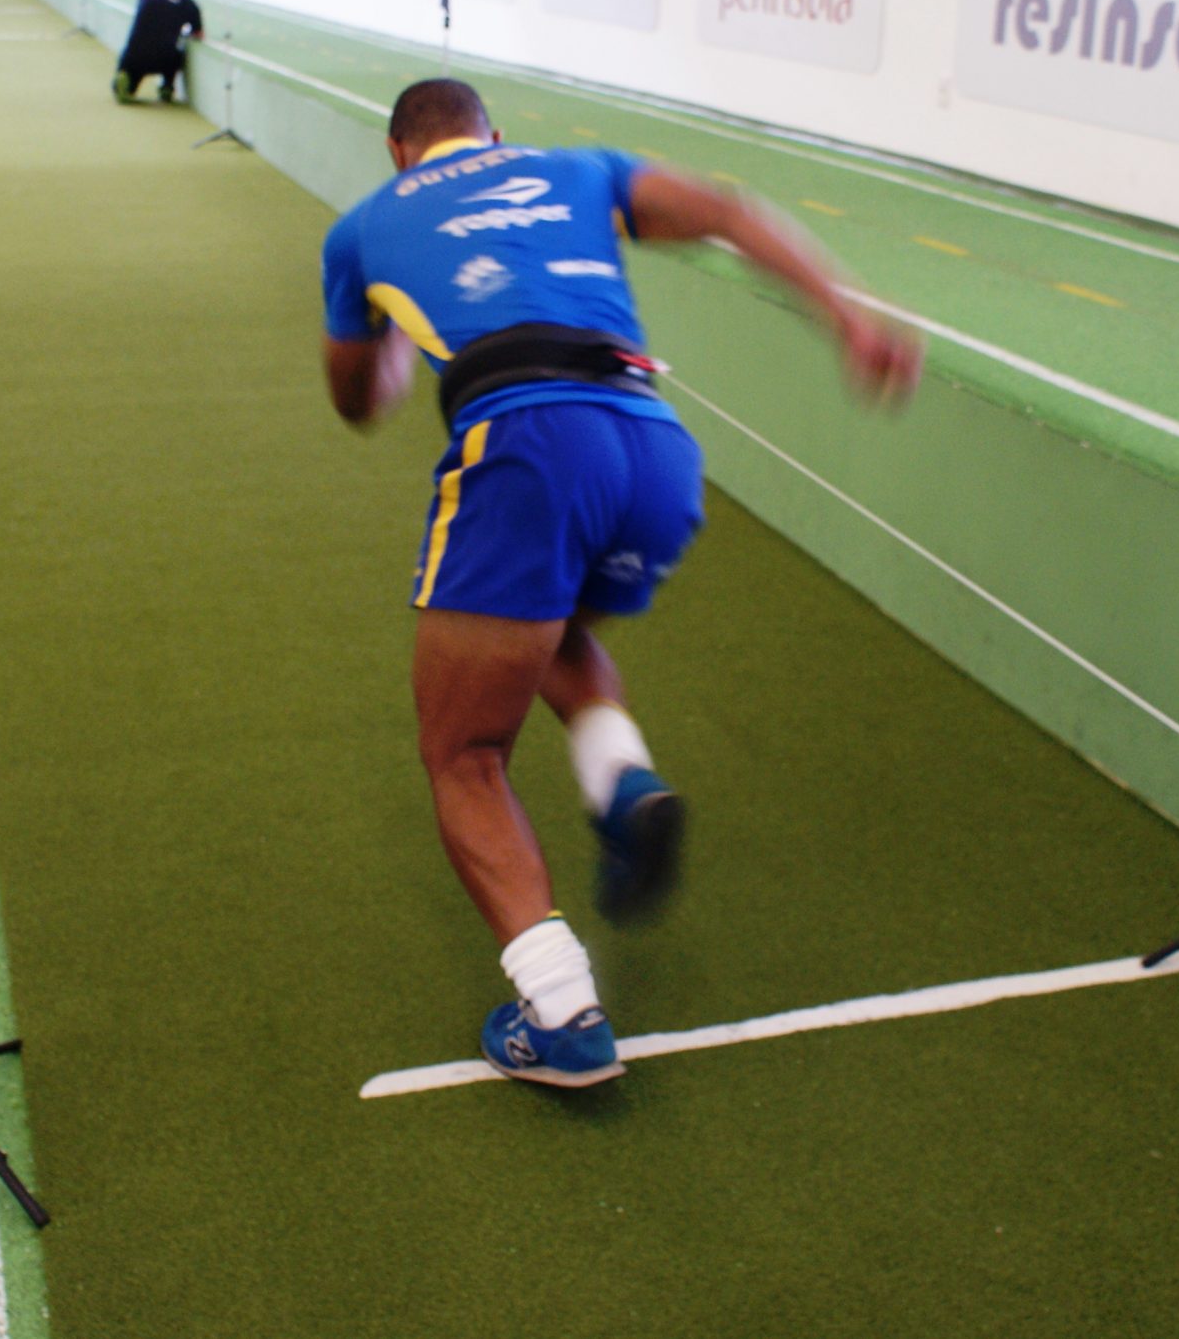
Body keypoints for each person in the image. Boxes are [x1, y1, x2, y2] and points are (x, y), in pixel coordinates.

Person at [318, 79, 921, 1087]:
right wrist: (845, 316)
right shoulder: (575, 167)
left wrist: (381, 348)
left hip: (528, 439)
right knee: (543, 622)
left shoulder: (364, 228)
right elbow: (727, 211)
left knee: (463, 752)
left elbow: (358, 394)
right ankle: (618, 773)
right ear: (491, 137)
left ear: (397, 152)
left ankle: (560, 1013)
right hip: (653, 447)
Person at [113, 0, 203, 102]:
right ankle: (167, 87)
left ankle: (125, 81)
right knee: (177, 53)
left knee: (132, 57)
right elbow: (198, 34)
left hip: (133, 57)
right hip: (163, 59)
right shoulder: (187, 3)